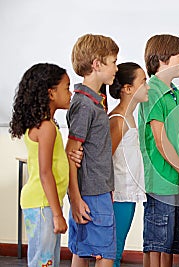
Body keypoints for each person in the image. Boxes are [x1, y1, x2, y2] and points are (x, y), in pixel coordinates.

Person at [9, 63, 72, 266]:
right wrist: (57, 214)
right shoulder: (46, 127)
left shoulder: (47, 124)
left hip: (44, 202)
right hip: (43, 204)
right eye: (67, 87)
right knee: (42, 261)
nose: (70, 93)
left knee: (47, 260)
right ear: (51, 93)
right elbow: (45, 173)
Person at [65, 33, 119, 267]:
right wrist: (75, 199)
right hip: (91, 193)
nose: (116, 68)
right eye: (113, 61)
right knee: (106, 254)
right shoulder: (84, 105)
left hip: (97, 190)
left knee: (83, 251)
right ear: (97, 64)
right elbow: (71, 153)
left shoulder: (94, 101)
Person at [138, 34, 179, 267]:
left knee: (170, 241)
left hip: (177, 178)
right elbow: (160, 141)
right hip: (160, 179)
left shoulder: (177, 94)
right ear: (163, 59)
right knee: (157, 242)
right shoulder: (151, 92)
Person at [108, 62, 149, 267]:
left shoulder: (131, 117)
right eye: (143, 82)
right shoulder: (118, 120)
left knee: (117, 249)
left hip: (128, 193)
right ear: (127, 89)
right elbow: (105, 159)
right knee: (113, 252)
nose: (147, 87)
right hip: (118, 195)